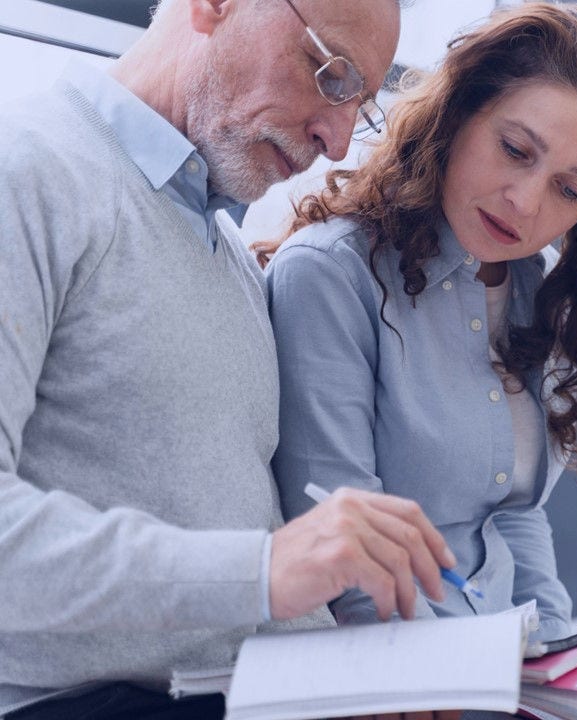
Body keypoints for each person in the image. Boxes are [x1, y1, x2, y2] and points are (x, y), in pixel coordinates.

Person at [0, 1, 466, 718]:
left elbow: (253, 581)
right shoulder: (27, 171)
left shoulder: (233, 265)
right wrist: (261, 571)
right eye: (330, 73)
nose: (337, 141)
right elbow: (255, 578)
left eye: (360, 105)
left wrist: (361, 678)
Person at [262, 1, 577, 646]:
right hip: (394, 668)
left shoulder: (540, 293)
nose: (526, 203)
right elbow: (342, 554)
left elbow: (513, 519)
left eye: (570, 191)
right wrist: (447, 681)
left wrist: (560, 657)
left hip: (498, 657)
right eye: (513, 150)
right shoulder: (332, 276)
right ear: (458, 113)